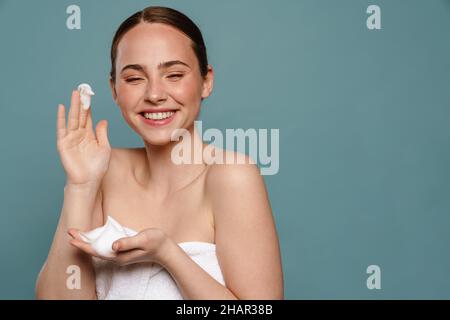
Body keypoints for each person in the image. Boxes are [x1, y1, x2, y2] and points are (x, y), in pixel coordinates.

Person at [35, 6, 283, 300]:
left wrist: (168, 255)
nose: (154, 94)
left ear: (206, 81)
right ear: (114, 90)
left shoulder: (231, 176)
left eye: (174, 74)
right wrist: (80, 186)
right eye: (134, 78)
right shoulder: (103, 170)